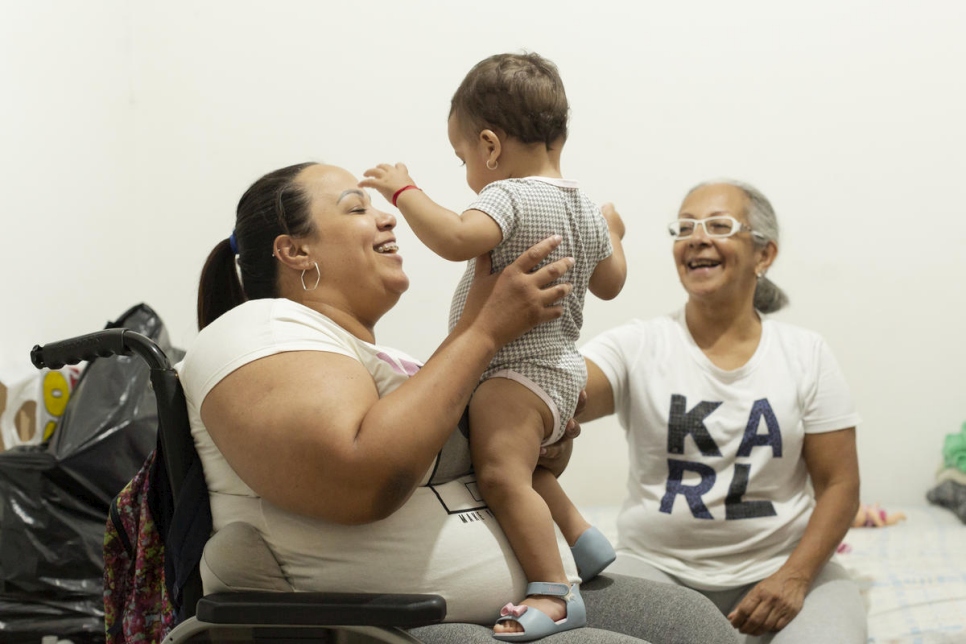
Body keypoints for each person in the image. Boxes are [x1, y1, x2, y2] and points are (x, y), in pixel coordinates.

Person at [177, 161, 739, 644]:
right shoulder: (258, 329)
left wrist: (534, 447)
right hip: (385, 624)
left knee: (694, 625)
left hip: (513, 604)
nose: (389, 216)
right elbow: (362, 476)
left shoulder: (388, 361)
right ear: (294, 250)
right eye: (356, 208)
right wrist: (484, 330)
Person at [360, 52, 627, 640]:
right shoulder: (584, 206)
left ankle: (554, 593)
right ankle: (584, 539)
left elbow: (456, 239)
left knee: (501, 476)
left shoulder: (508, 196)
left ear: (489, 146)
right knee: (525, 470)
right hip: (560, 374)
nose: (467, 174)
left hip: (514, 374)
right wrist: (615, 236)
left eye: (462, 159)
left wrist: (404, 191)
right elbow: (610, 284)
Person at [579, 180, 867, 643]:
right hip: (655, 570)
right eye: (685, 227)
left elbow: (840, 485)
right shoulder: (637, 345)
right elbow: (556, 398)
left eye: (719, 225)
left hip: (784, 568)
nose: (697, 237)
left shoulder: (806, 354)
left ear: (763, 255)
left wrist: (794, 578)